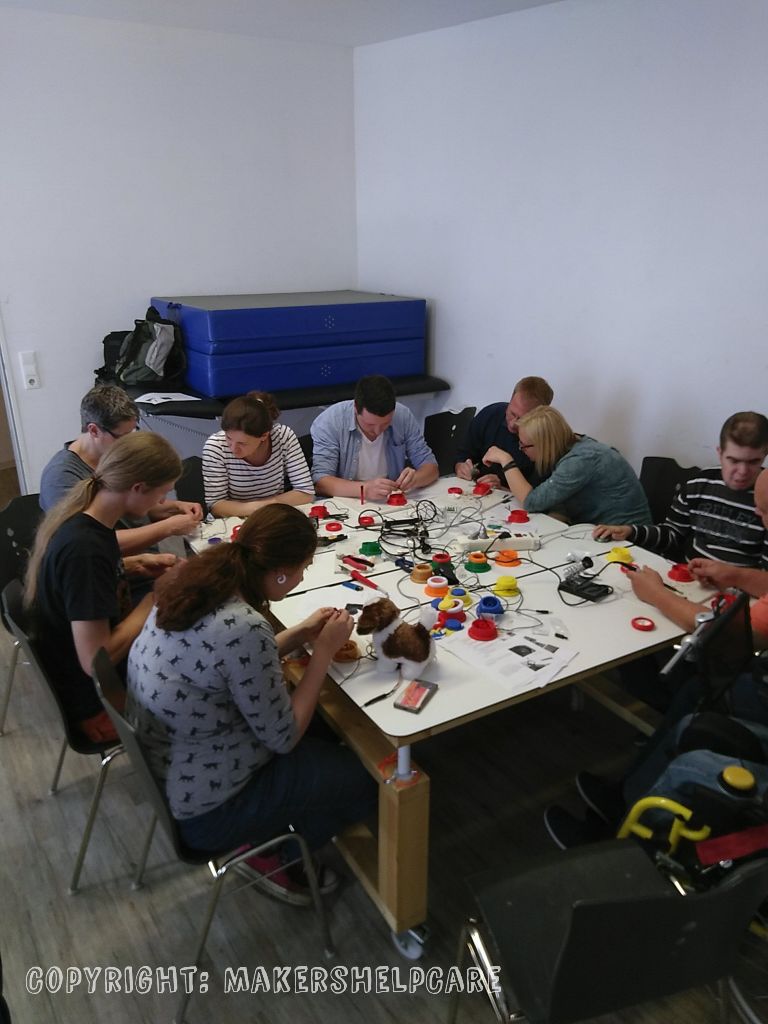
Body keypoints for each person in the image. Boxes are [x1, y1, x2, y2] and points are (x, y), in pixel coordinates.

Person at [126, 504, 378, 904]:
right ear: (280, 572)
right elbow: (284, 737)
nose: (302, 577)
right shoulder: (245, 627)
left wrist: (300, 634)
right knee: (364, 781)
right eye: (303, 568)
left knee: (324, 736)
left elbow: (225, 666)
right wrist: (323, 652)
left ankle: (281, 821)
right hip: (209, 811)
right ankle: (275, 855)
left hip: (174, 770)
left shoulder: (195, 584)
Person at [25, 432, 182, 742]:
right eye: (161, 493)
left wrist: (134, 564)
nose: (162, 502)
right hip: (99, 703)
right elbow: (95, 661)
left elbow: (82, 583)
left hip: (88, 676)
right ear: (137, 488)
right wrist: (155, 597)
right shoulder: (84, 550)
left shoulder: (89, 518)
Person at [593, 412, 768, 588]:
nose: (742, 471)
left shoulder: (764, 498)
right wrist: (630, 531)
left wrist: (735, 579)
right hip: (690, 581)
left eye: (753, 462)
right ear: (720, 453)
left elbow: (765, 574)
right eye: (734, 461)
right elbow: (672, 534)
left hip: (743, 592)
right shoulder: (698, 484)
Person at [39, 385, 202, 552]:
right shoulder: (60, 477)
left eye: (133, 433)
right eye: (122, 436)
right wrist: (167, 528)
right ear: (94, 430)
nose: (129, 442)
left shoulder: (119, 456)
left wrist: (174, 508)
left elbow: (132, 505)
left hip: (143, 557)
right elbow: (87, 542)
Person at [623, 469, 768, 644]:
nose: (757, 513)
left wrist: (655, 594)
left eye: (764, 511)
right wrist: (735, 575)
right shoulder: (698, 485)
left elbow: (734, 633)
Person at [482, 405, 651, 525]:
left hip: (627, 540)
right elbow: (555, 501)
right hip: (598, 530)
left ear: (544, 445)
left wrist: (506, 460)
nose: (521, 449)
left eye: (524, 445)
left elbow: (531, 502)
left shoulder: (580, 460)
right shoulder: (571, 447)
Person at [311, 374, 439, 501]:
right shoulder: (330, 422)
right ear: (355, 408)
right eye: (370, 424)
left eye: (385, 424)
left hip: (392, 499)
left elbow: (431, 467)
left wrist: (415, 479)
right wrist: (365, 489)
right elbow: (321, 483)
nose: (377, 431)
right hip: (347, 500)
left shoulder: (402, 416)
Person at [202, 391, 313, 517]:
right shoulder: (216, 446)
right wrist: (264, 506)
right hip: (234, 519)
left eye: (242, 443)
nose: (233, 448)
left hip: (273, 515)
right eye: (228, 438)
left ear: (264, 436)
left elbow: (306, 493)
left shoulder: (283, 436)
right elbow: (216, 506)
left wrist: (264, 507)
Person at [454, 375, 554, 485]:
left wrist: (503, 486)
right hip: (476, 487)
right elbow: (463, 454)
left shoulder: (545, 443)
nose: (513, 424)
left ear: (540, 416)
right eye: (512, 413)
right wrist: (461, 466)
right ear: (510, 401)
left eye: (523, 419)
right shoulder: (491, 415)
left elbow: (537, 491)